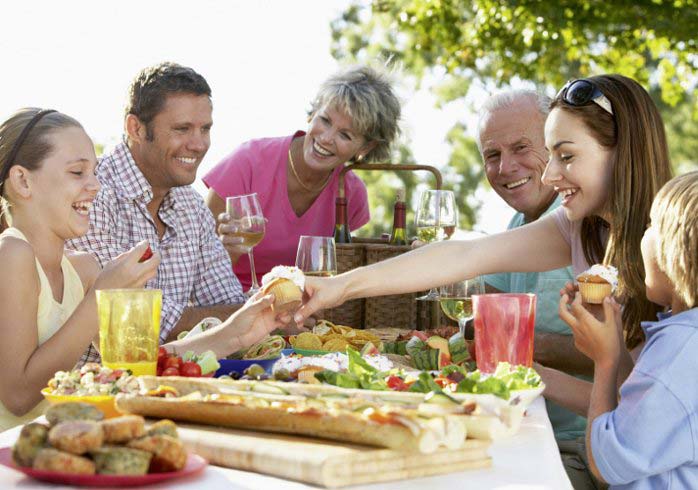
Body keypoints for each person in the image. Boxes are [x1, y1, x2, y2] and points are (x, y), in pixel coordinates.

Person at [294, 74, 672, 487]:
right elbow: (465, 255)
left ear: (622, 152)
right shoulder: (581, 228)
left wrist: (581, 363)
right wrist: (339, 286)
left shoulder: (672, 248)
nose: (550, 176)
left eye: (565, 156)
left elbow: (642, 411)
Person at [0, 108, 289, 431]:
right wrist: (102, 295)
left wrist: (235, 331)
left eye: (94, 172)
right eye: (77, 172)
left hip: (62, 443)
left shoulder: (82, 269)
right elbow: (18, 396)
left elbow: (141, 364)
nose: (95, 186)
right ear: (23, 181)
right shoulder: (12, 252)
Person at [68, 63, 246, 358]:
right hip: (94, 391)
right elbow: (135, 319)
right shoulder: (92, 195)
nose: (199, 144)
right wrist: (249, 317)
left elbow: (226, 298)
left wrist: (268, 312)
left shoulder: (191, 205)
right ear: (135, 128)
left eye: (205, 129)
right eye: (182, 129)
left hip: (171, 385)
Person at [204, 65, 401, 290]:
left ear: (366, 147)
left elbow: (336, 272)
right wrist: (228, 251)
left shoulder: (351, 193)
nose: (326, 138)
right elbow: (197, 267)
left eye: (345, 135)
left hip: (301, 310)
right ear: (313, 112)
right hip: (230, 301)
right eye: (325, 120)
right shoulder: (248, 161)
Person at [559, 171, 698, 488]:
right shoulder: (686, 339)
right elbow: (640, 423)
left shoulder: (681, 346)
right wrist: (614, 346)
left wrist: (605, 362)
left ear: (675, 246)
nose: (642, 237)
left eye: (650, 226)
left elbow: (606, 463)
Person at [477, 90, 590, 472]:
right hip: (517, 430)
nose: (505, 167)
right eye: (492, 155)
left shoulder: (583, 217)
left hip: (576, 447)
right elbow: (480, 306)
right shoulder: (517, 222)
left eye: (521, 147)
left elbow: (631, 357)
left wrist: (520, 344)